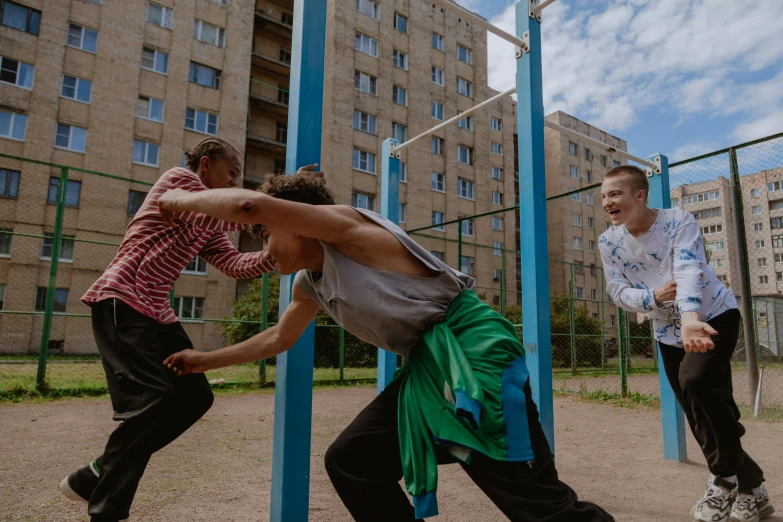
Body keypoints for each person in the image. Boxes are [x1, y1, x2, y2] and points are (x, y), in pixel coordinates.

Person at [160, 170, 614, 522]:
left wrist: (177, 200)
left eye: (266, 233)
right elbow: (280, 337)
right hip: (425, 367)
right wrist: (204, 360)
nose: (265, 246)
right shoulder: (309, 284)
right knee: (353, 460)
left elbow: (248, 203)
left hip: (472, 352)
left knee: (531, 499)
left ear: (294, 223)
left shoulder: (348, 229)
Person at [59, 138, 276, 522]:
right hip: (121, 299)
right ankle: (106, 511)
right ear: (205, 166)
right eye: (231, 174)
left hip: (156, 311)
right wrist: (282, 209)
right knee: (154, 398)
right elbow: (232, 211)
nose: (232, 183)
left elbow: (233, 264)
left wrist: (273, 257)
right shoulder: (177, 184)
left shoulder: (207, 223)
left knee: (195, 397)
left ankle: (95, 474)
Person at [598, 165, 774, 522]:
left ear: (639, 195)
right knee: (698, 405)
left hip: (713, 317)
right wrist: (652, 298)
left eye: (614, 194)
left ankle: (723, 480)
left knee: (695, 383)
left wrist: (692, 319)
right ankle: (752, 487)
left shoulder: (679, 220)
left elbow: (688, 269)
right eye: (603, 197)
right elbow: (617, 291)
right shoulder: (609, 242)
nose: (607, 203)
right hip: (668, 330)